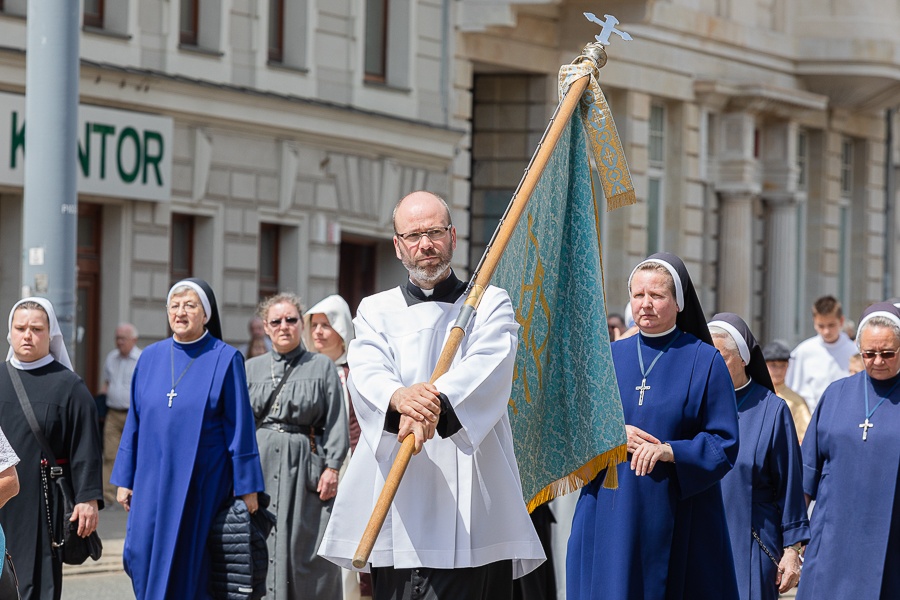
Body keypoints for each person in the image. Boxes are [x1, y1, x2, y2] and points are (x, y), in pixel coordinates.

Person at [318, 191, 544, 599]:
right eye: (414, 235)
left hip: (475, 504)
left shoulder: (490, 303)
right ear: (398, 245)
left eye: (435, 232)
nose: (426, 245)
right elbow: (366, 370)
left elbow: (489, 366)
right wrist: (398, 398)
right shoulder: (374, 309)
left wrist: (431, 401)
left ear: (453, 237)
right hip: (398, 498)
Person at [567, 252, 740, 600]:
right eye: (638, 295)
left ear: (678, 302)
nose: (645, 304)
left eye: (657, 295)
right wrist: (613, 433)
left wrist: (670, 450)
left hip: (676, 505)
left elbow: (724, 441)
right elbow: (576, 427)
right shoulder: (610, 356)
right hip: (609, 506)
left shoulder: (704, 359)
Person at [111, 278, 264, 600]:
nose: (180, 312)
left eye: (190, 305)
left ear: (206, 314)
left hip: (200, 480)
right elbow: (134, 420)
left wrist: (247, 487)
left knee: (187, 562)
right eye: (175, 305)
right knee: (138, 553)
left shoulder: (225, 358)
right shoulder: (150, 357)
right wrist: (125, 478)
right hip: (150, 477)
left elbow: (240, 427)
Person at [246, 292, 348, 600]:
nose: (284, 326)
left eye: (291, 320)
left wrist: (332, 467)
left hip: (305, 468)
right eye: (276, 321)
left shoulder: (321, 367)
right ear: (265, 326)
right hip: (261, 467)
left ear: (299, 324)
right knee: (259, 545)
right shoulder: (250, 368)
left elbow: (335, 420)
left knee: (306, 549)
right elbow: (239, 428)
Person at [0, 297, 103, 600]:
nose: (27, 335)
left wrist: (88, 499)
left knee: (35, 579)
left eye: (36, 328)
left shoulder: (68, 385)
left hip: (41, 500)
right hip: (3, 495)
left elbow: (85, 446)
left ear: (51, 334)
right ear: (10, 333)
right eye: (20, 328)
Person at [797, 301, 900, 599]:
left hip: (890, 541)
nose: (877, 361)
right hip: (831, 540)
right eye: (868, 354)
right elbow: (807, 472)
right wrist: (791, 541)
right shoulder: (836, 394)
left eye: (887, 353)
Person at [708, 313, 809, 599]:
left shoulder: (772, 410)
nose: (711, 367)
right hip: (699, 540)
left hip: (752, 542)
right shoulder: (695, 405)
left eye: (721, 358)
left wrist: (792, 550)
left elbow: (790, 485)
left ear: (742, 359)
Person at [302, 294, 372, 600]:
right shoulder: (303, 372)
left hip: (349, 471)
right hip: (307, 474)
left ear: (341, 329)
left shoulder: (358, 373)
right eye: (314, 325)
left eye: (326, 325)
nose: (318, 332)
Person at [785, 295, 857, 412]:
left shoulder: (854, 352)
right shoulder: (803, 351)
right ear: (814, 322)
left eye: (831, 325)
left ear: (841, 321)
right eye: (821, 326)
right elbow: (791, 389)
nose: (826, 331)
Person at [99, 323, 141, 505]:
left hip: (135, 415)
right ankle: (107, 496)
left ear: (134, 340)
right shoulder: (111, 357)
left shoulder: (141, 358)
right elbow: (106, 383)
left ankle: (135, 493)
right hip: (113, 413)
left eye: (123, 338)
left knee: (136, 454)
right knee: (109, 455)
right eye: (117, 338)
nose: (119, 342)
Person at [762, 340, 811, 443]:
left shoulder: (796, 401)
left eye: (783, 365)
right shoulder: (757, 396)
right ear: (764, 365)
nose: (778, 371)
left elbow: (805, 436)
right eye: (773, 365)